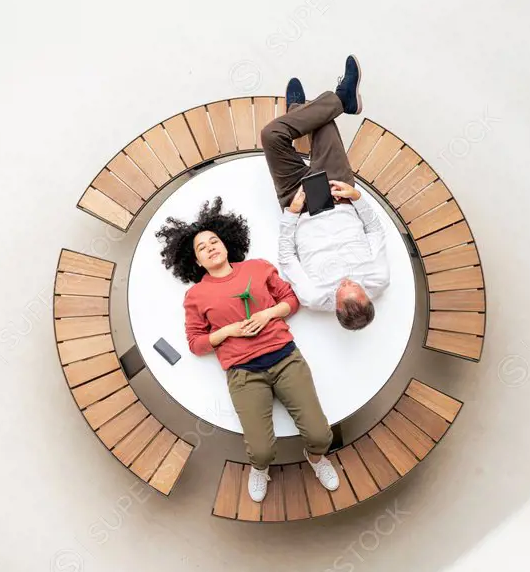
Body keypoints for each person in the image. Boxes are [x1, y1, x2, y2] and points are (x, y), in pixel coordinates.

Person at [155, 198, 339, 502]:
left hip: (286, 360)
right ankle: (260, 469)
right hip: (243, 374)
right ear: (197, 261)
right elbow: (196, 344)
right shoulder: (196, 296)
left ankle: (317, 459)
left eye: (214, 241)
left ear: (226, 244)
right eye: (202, 247)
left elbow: (291, 300)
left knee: (321, 435)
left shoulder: (257, 268)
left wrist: (268, 314)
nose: (211, 247)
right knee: (262, 451)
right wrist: (225, 332)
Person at [261, 55, 390, 331]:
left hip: (299, 203)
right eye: (355, 285)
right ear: (368, 297)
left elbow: (287, 257)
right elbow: (375, 232)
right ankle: (335, 103)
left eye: (343, 289)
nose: (347, 281)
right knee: (324, 125)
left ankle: (306, 107)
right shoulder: (378, 279)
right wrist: (356, 197)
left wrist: (292, 213)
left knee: (271, 135)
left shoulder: (313, 296)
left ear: (337, 306)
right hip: (338, 194)